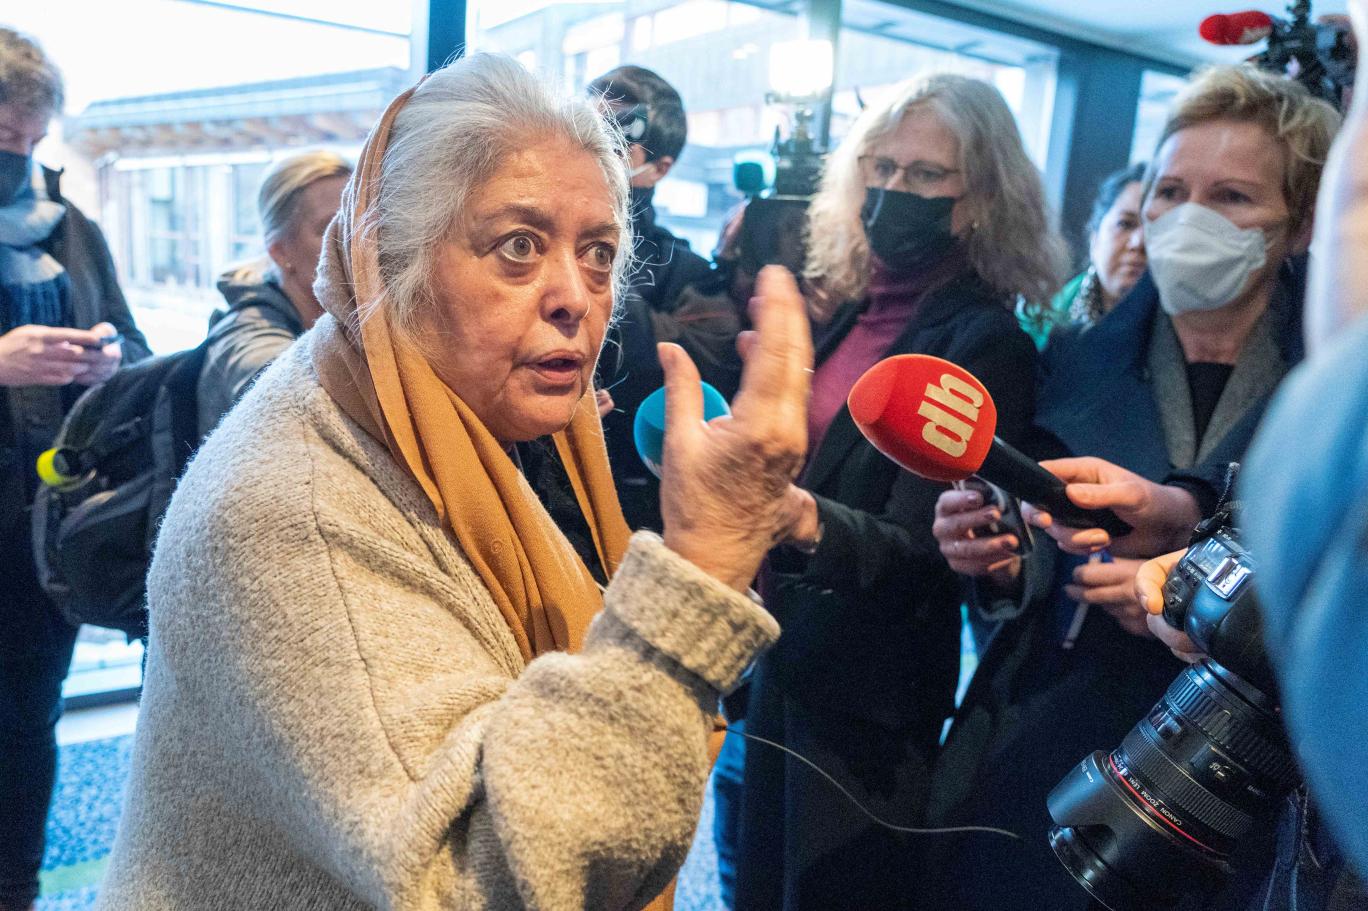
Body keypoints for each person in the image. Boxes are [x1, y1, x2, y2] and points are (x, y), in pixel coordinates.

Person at [97, 53, 816, 910]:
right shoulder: (294, 508)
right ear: (391, 261)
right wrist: (704, 562)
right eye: (518, 246)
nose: (574, 296)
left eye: (597, 253)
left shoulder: (497, 436)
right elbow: (483, 881)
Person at [924, 64, 1340, 911]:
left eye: (1231, 197)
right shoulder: (1070, 358)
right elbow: (1027, 564)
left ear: (1300, 224)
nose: (1188, 219)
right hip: (1055, 729)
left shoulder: (1336, 389)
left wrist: (1191, 569)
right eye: (1170, 191)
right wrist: (1003, 559)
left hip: (1240, 778)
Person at [728, 73, 1067, 911]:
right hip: (778, 662)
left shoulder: (986, 341)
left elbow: (930, 552)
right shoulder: (850, 310)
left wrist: (797, 515)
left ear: (981, 197)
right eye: (880, 167)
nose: (893, 190)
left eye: (925, 175)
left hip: (866, 704)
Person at [0, 28, 149, 911]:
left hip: (37, 532)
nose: (16, 159)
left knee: (27, 720)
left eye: (31, 140)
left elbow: (133, 343)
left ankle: (15, 887)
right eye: (2, 137)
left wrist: (108, 359)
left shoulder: (70, 228)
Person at [586, 65, 729, 532]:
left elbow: (695, 363)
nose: (592, 152)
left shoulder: (683, 270)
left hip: (632, 500)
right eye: (585, 129)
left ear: (659, 168)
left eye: (614, 141)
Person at [196, 151, 351, 437]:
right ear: (280, 252)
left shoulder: (341, 319)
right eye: (330, 228)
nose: (354, 240)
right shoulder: (247, 332)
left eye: (359, 221)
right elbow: (280, 389)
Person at [1027, 161, 1148, 348]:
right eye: (1125, 224)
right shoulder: (1037, 320)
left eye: (1155, 229)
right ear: (1094, 238)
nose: (1139, 242)